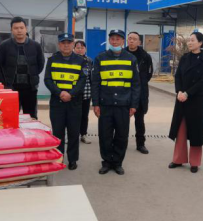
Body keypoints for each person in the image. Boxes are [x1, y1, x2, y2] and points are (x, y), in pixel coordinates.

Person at [91, 29, 140, 175]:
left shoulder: (131, 59)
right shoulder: (100, 58)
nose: (115, 42)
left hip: (124, 105)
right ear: (109, 40)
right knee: (104, 135)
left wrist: (134, 105)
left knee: (121, 135)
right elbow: (95, 83)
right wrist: (96, 104)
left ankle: (117, 162)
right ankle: (106, 162)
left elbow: (136, 84)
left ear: (123, 41)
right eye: (112, 39)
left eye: (118, 39)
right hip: (105, 104)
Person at [168, 32, 203, 173]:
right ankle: (178, 159)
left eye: (193, 40)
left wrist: (188, 93)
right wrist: (179, 92)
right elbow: (178, 76)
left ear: (200, 43)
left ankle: (195, 162)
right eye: (189, 40)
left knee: (196, 131)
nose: (190, 43)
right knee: (180, 130)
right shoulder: (185, 57)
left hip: (195, 99)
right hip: (181, 98)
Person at [44, 33, 86, 170]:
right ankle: (59, 157)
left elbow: (82, 81)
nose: (66, 45)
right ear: (59, 44)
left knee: (74, 132)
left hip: (74, 102)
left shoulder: (81, 60)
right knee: (58, 133)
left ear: (73, 44)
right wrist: (59, 93)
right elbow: (48, 80)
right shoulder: (52, 60)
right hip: (57, 102)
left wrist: (71, 94)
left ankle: (73, 159)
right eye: (63, 43)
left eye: (69, 42)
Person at [0, 17, 45, 119]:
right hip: (11, 89)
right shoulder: (4, 46)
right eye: (16, 28)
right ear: (11, 30)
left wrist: (33, 75)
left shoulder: (35, 45)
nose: (19, 30)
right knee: (10, 117)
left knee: (31, 117)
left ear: (26, 29)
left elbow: (40, 64)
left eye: (21, 28)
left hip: (30, 88)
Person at [125, 32, 154, 154]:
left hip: (140, 92)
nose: (131, 41)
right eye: (130, 38)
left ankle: (140, 144)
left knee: (139, 120)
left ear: (139, 42)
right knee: (122, 120)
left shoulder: (145, 56)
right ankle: (121, 143)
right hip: (124, 92)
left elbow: (149, 73)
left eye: (134, 39)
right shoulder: (122, 54)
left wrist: (140, 83)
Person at [74, 40, 93, 144]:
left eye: (82, 48)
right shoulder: (71, 59)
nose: (80, 49)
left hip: (86, 92)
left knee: (84, 115)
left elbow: (91, 77)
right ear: (74, 49)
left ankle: (83, 134)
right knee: (73, 115)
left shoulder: (89, 60)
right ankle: (72, 135)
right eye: (78, 47)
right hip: (73, 93)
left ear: (85, 49)